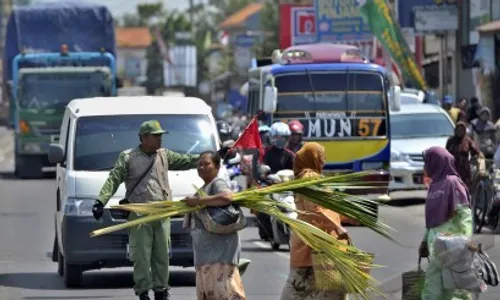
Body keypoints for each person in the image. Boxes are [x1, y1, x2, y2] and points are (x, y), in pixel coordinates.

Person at [92, 120, 200, 300]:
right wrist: (100, 201)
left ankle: (161, 290)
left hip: (162, 213)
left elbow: (187, 161)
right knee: (141, 256)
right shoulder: (128, 157)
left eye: (160, 135)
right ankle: (142, 292)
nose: (160, 139)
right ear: (143, 137)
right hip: (140, 215)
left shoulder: (164, 155)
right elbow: (114, 179)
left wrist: (211, 156)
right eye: (156, 136)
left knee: (162, 256)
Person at [280, 142, 349, 300]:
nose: (324, 160)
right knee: (305, 285)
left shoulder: (304, 176)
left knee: (306, 285)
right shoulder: (310, 177)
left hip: (310, 238)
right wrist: (338, 228)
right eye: (321, 156)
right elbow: (315, 210)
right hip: (314, 239)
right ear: (313, 158)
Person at [183, 150, 247, 300]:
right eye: (199, 164)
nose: (202, 167)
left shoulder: (217, 183)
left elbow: (227, 197)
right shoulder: (205, 187)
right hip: (207, 257)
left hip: (219, 255)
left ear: (217, 167)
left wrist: (198, 201)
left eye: (207, 164)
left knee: (224, 294)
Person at [419, 147, 473, 300]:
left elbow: (464, 214)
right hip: (436, 252)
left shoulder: (453, 182)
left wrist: (465, 241)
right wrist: (424, 242)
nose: (424, 167)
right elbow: (432, 220)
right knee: (431, 294)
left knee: (454, 294)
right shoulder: (435, 185)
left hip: (453, 250)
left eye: (427, 162)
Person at [445, 121, 482, 189]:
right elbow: (445, 154)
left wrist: (479, 155)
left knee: (464, 188)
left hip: (464, 169)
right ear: (455, 130)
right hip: (453, 168)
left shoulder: (467, 140)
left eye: (462, 130)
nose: (460, 132)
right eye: (458, 130)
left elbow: (475, 150)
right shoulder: (450, 141)